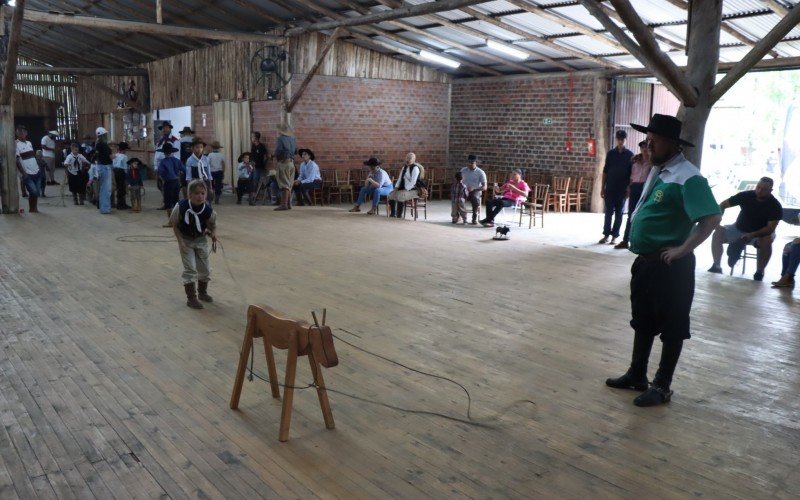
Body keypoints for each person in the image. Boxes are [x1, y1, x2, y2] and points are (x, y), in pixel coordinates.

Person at [605, 114, 721, 407]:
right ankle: (637, 374)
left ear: (672, 144)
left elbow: (711, 217)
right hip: (646, 262)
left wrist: (683, 250)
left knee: (672, 328)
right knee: (643, 321)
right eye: (646, 142)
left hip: (671, 267)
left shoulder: (688, 176)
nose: (648, 147)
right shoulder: (660, 170)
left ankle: (662, 386)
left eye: (654, 142)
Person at [707, 177, 782, 281]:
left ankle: (759, 272)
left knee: (767, 240)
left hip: (760, 234)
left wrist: (751, 235)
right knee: (717, 233)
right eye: (758, 187)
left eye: (764, 189)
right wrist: (717, 222)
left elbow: (770, 228)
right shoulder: (746, 195)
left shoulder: (775, 206)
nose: (759, 191)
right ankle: (716, 265)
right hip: (738, 228)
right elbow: (722, 205)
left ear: (771, 191)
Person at [170, 179, 217, 310]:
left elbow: (212, 224)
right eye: (196, 193)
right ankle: (191, 298)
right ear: (189, 195)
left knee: (205, 269)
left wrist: (213, 234)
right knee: (190, 269)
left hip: (201, 240)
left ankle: (202, 293)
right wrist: (180, 241)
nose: (200, 196)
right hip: (186, 241)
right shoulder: (181, 206)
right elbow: (174, 225)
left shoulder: (207, 209)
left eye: (203, 193)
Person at [599, 130, 634, 245]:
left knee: (619, 213)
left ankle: (615, 236)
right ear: (616, 139)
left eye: (623, 139)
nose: (620, 141)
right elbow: (605, 171)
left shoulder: (630, 155)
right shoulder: (611, 154)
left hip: (622, 189)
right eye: (619, 139)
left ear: (625, 140)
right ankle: (606, 235)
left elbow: (631, 174)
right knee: (608, 213)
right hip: (610, 187)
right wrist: (602, 187)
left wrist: (629, 188)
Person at [616, 140, 652, 249]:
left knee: (643, 214)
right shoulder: (635, 161)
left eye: (646, 148)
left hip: (645, 187)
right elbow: (631, 176)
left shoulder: (652, 162)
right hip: (635, 187)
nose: (644, 150)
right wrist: (628, 188)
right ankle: (625, 240)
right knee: (631, 214)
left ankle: (639, 240)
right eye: (642, 148)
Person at [387, 153, 423, 219]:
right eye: (407, 158)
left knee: (400, 196)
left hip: (414, 190)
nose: (408, 160)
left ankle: (399, 215)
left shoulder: (415, 168)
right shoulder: (404, 167)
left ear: (414, 160)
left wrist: (405, 190)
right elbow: (400, 179)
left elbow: (413, 182)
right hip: (403, 189)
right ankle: (393, 214)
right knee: (391, 195)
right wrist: (395, 189)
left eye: (410, 158)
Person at [15, 125, 41, 213]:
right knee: (33, 191)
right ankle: (31, 208)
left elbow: (32, 156)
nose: (21, 133)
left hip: (36, 170)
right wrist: (23, 173)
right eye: (19, 132)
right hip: (27, 173)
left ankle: (34, 208)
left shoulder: (29, 143)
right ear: (17, 133)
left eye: (23, 131)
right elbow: (17, 160)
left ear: (26, 133)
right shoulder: (16, 144)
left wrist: (38, 167)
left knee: (37, 192)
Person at [274, 123, 297, 211]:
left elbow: (278, 150)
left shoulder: (280, 139)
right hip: (291, 163)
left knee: (284, 183)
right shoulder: (293, 139)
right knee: (289, 184)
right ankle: (288, 204)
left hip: (284, 162)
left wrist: (276, 157)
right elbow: (296, 151)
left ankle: (284, 204)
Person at [158, 142, 184, 214]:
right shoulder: (177, 160)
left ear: (164, 152)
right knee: (176, 200)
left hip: (168, 182)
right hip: (176, 182)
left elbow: (160, 172)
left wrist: (161, 178)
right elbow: (183, 170)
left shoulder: (163, 162)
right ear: (172, 151)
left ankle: (170, 220)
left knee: (168, 202)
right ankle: (177, 217)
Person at [460, 154, 487, 225]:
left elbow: (484, 187)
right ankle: (458, 216)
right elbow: (458, 181)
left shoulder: (480, 172)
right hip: (464, 190)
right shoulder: (463, 170)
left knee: (474, 197)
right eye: (469, 162)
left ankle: (474, 217)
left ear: (476, 163)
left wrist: (474, 188)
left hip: (475, 190)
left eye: (472, 163)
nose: (470, 164)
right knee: (456, 196)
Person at [93, 127, 114, 214]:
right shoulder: (103, 145)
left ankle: (103, 207)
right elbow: (110, 156)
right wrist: (117, 155)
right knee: (106, 189)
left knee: (103, 188)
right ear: (103, 135)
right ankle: (105, 208)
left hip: (101, 166)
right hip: (105, 167)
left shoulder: (97, 144)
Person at [112, 141, 131, 209]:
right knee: (122, 189)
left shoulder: (115, 155)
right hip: (121, 172)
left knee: (118, 188)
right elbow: (125, 167)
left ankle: (118, 203)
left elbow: (113, 164)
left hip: (115, 171)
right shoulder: (124, 157)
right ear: (124, 149)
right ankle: (121, 204)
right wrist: (127, 176)